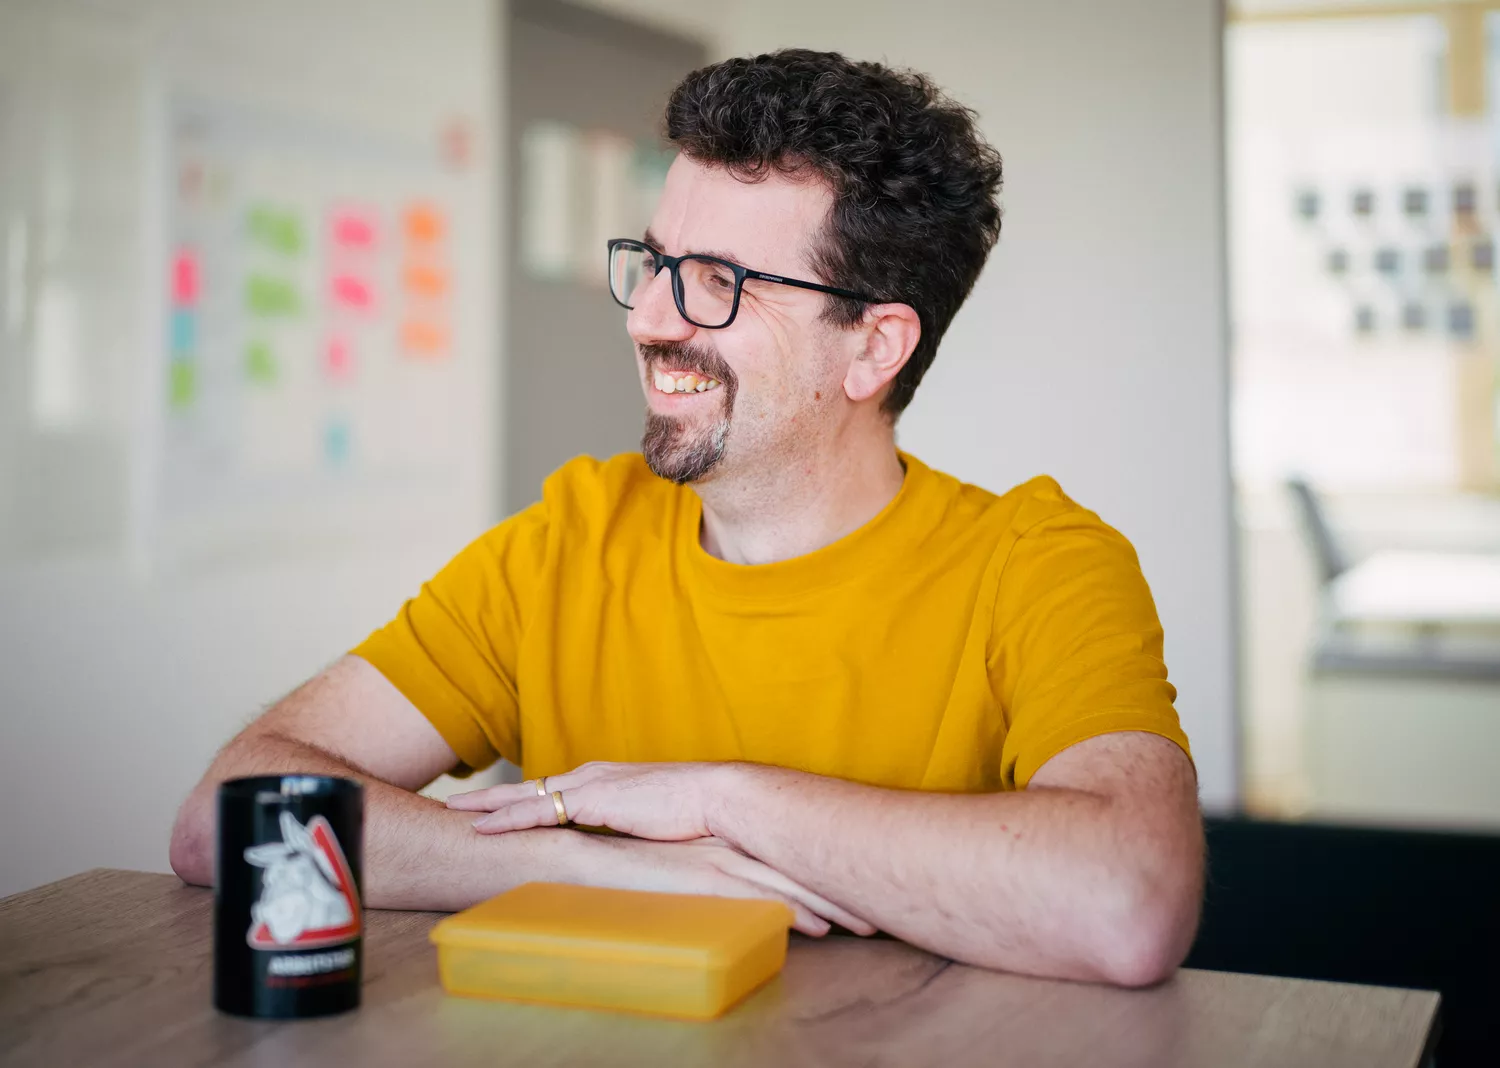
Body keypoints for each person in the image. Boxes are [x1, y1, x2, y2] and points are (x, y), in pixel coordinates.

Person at [172, 48, 1203, 987]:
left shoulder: (1040, 565)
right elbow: (227, 819)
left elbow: (1127, 907)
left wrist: (720, 803)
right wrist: (578, 862)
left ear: (875, 348)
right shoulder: (571, 540)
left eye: (722, 284)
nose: (650, 317)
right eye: (658, 262)